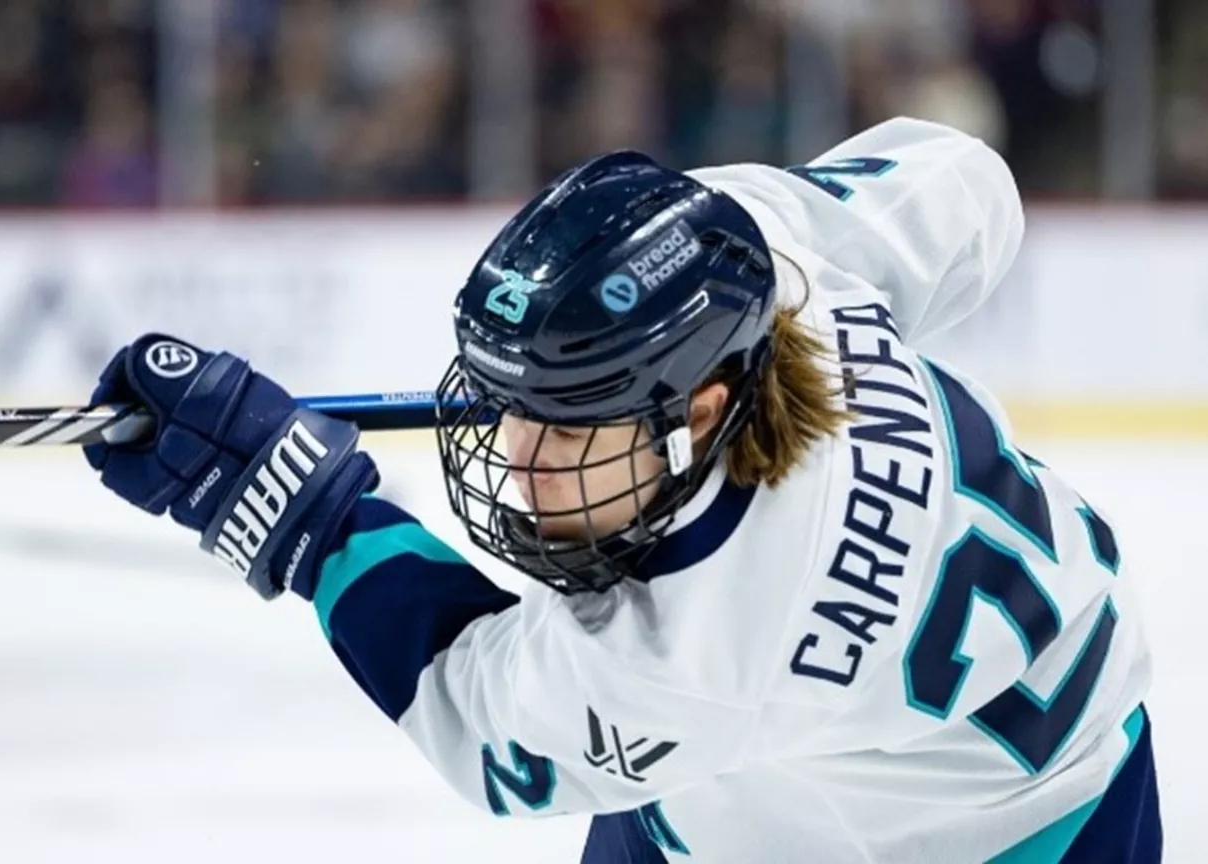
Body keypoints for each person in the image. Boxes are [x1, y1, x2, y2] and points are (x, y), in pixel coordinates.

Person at [82, 117, 1161, 863]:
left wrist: (296, 509)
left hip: (1009, 833)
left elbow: (475, 711)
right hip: (832, 751)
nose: (512, 454)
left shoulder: (697, 651)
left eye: (562, 425)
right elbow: (965, 183)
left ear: (696, 415)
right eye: (513, 402)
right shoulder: (762, 254)